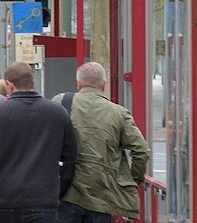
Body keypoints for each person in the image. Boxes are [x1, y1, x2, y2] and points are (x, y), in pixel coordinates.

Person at [0, 62, 77, 223]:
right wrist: (58, 192)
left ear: (9, 84)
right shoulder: (58, 113)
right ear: (33, 82)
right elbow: (70, 159)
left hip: (4, 200)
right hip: (44, 200)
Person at [52, 62, 150, 223]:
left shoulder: (60, 101)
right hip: (103, 195)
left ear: (78, 84)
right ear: (103, 84)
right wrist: (132, 180)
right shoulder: (119, 113)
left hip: (67, 192)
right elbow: (141, 150)